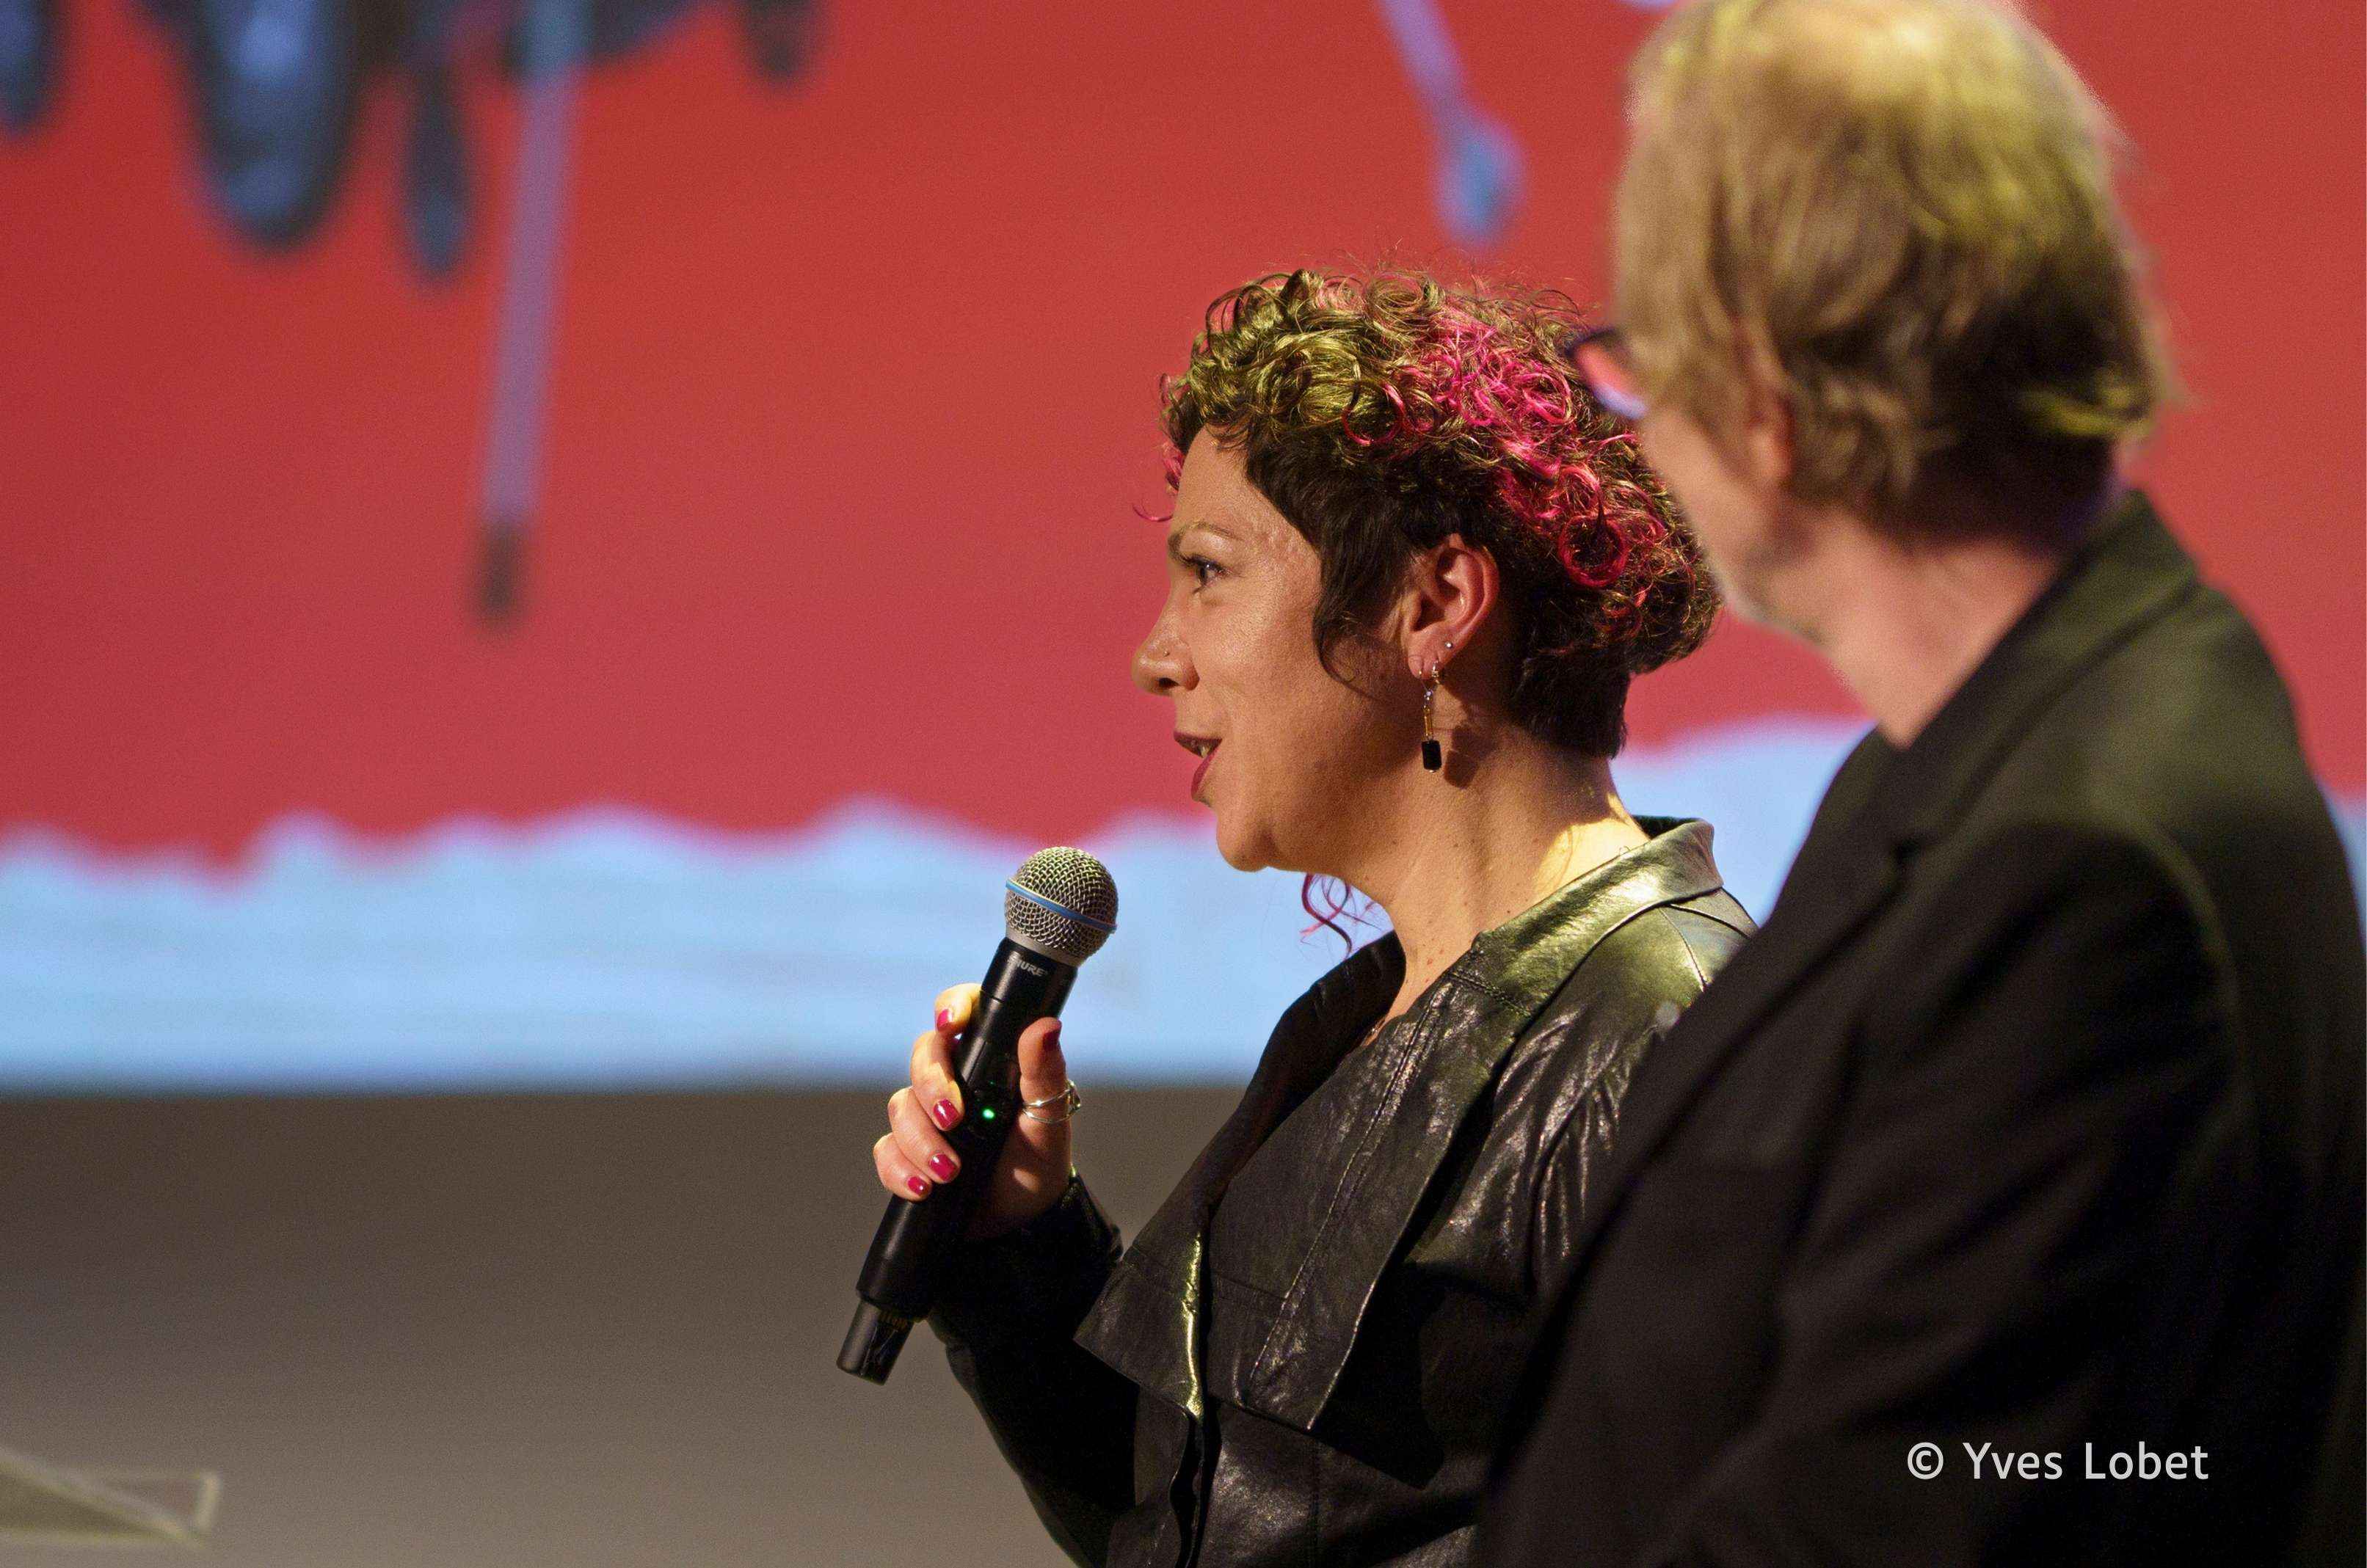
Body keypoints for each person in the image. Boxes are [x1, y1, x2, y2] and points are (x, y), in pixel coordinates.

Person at [1480, 3, 2366, 1565]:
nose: (1643, 435)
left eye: (1640, 367)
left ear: (1761, 397)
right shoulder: (1995, 751)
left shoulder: (2076, 864)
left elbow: (1872, 1520)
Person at [866, 268, 1752, 1567]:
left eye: (1210, 572)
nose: (1157, 655)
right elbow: (1195, 1523)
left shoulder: (1662, 1033)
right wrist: (1016, 1250)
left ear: (1432, 607)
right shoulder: (1354, 1024)